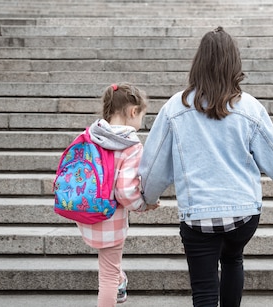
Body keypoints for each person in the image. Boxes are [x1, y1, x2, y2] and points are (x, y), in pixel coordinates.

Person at [138, 26, 273, 307]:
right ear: (234, 64)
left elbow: (156, 162)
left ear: (198, 63)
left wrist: (147, 197)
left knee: (204, 289)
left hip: (197, 216)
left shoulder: (174, 108)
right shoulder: (250, 108)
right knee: (233, 259)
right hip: (243, 213)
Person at [76, 83, 159, 307]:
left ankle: (121, 283)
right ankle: (118, 284)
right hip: (110, 219)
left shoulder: (90, 134)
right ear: (133, 111)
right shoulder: (130, 145)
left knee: (109, 264)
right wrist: (143, 205)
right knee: (108, 275)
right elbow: (125, 192)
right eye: (142, 115)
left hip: (85, 209)